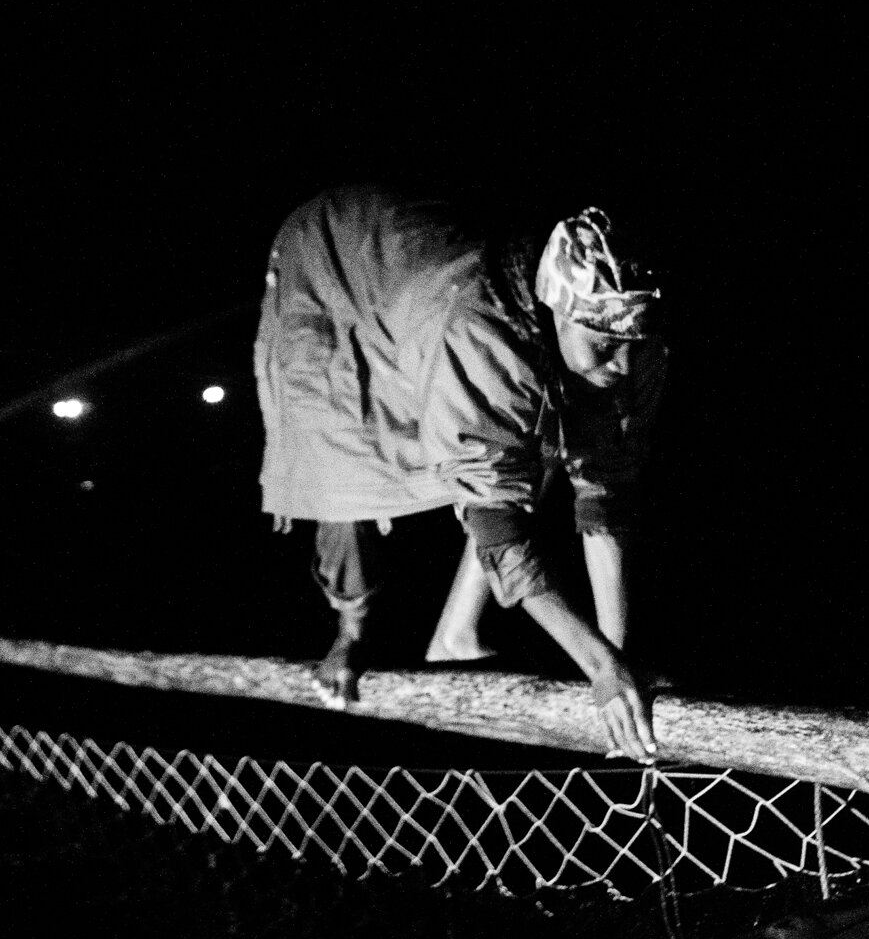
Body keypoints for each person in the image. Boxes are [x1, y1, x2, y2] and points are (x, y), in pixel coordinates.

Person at [254, 185, 667, 762]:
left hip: (426, 284)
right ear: (556, 313)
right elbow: (497, 526)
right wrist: (599, 667)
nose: (623, 365)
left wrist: (619, 660)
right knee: (345, 478)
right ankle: (349, 632)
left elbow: (605, 492)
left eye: (634, 345)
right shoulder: (480, 338)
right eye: (604, 346)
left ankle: (455, 634)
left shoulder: (632, 344)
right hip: (336, 269)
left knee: (546, 439)